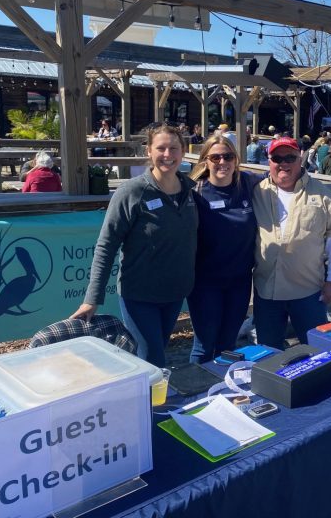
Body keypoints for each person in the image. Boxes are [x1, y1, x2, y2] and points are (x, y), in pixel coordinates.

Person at [70, 123, 198, 367]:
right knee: (152, 361)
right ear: (148, 151)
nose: (168, 155)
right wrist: (92, 298)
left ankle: (150, 401)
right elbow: (106, 246)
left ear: (183, 150)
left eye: (174, 148)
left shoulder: (190, 190)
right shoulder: (133, 191)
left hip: (175, 294)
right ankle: (151, 404)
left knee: (156, 354)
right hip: (140, 295)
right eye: (161, 148)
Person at [251, 137, 331, 348]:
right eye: (277, 158)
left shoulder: (322, 194)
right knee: (268, 351)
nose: (283, 163)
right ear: (269, 161)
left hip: (308, 291)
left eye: (290, 157)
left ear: (300, 159)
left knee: (316, 349)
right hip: (266, 291)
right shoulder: (257, 190)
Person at [187, 135, 261, 363]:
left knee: (228, 344)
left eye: (227, 156)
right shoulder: (194, 192)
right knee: (204, 344)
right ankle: (196, 391)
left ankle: (223, 391)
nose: (222, 162)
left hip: (239, 282)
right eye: (215, 157)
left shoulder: (248, 184)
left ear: (236, 160)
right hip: (205, 283)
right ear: (205, 161)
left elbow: (278, 174)